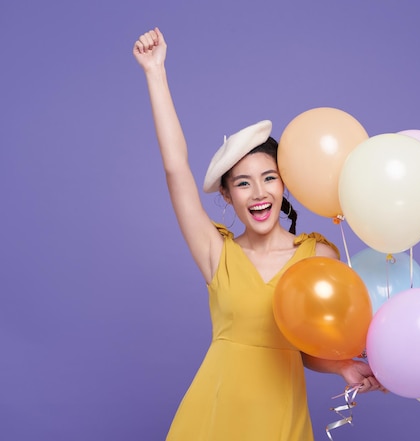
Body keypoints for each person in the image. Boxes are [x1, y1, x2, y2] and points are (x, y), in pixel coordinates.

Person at [133, 27, 383, 441]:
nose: (259, 191)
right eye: (243, 183)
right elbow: (176, 170)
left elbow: (308, 348)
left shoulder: (319, 255)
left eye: (269, 177)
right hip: (212, 414)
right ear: (228, 197)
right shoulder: (216, 253)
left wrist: (343, 365)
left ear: (284, 186)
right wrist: (155, 71)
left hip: (280, 417)